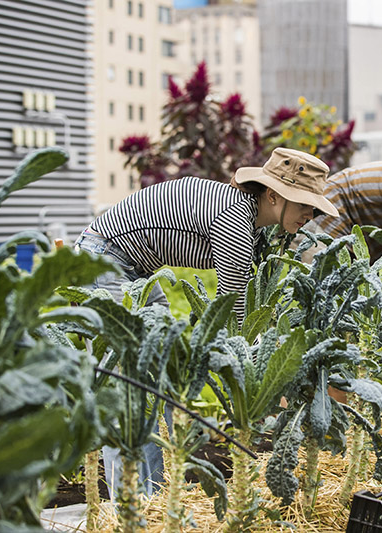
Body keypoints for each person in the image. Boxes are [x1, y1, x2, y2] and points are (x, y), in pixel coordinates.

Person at [74, 147, 338, 498]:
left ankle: (168, 494)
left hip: (136, 273)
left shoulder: (254, 225)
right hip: (104, 262)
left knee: (168, 372)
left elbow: (253, 299)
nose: (310, 214)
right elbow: (233, 315)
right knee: (132, 388)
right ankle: (139, 505)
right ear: (274, 195)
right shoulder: (235, 221)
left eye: (314, 206)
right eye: (304, 204)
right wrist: (262, 378)